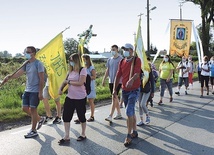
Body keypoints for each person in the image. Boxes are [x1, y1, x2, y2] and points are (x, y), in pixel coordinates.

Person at [2, 46, 45, 138]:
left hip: (35, 90)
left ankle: (33, 130)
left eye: (28, 52)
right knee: (25, 108)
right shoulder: (26, 64)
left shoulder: (38, 64)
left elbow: (42, 79)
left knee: (33, 110)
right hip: (27, 89)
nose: (26, 53)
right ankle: (40, 118)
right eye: (25, 52)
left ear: (33, 53)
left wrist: (40, 92)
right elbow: (18, 74)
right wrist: (9, 77)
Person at [113, 43, 141, 146]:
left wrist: (132, 79)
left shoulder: (136, 60)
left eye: (126, 49)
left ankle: (128, 135)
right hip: (124, 90)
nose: (124, 51)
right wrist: (115, 89)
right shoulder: (122, 61)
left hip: (134, 90)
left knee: (129, 112)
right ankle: (135, 131)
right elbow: (118, 76)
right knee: (131, 111)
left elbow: (137, 73)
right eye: (123, 49)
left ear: (131, 51)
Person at [58, 53, 87, 145]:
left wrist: (69, 82)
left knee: (81, 116)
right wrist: (60, 89)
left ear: (76, 60)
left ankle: (83, 134)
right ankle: (66, 136)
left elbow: (81, 82)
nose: (70, 62)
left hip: (80, 97)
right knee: (66, 116)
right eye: (69, 60)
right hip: (70, 97)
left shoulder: (83, 70)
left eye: (71, 60)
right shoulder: (70, 71)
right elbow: (64, 82)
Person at [102, 45, 123, 122]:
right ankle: (119, 113)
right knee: (115, 97)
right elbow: (107, 70)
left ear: (117, 50)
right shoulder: (109, 59)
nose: (112, 51)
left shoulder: (121, 59)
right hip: (111, 80)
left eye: (114, 49)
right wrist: (104, 79)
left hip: (118, 81)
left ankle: (110, 115)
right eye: (111, 49)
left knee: (114, 97)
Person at [82, 54, 96, 122]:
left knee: (90, 101)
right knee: (82, 102)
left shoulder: (91, 68)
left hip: (90, 86)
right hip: (84, 87)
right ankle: (81, 116)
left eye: (84, 59)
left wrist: (87, 78)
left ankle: (92, 116)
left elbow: (94, 77)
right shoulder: (83, 68)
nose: (83, 61)